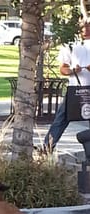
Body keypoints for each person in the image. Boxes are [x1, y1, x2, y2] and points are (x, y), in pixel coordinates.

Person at [43, 22, 90, 152]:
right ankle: (47, 148)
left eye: (88, 26)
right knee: (62, 118)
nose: (85, 29)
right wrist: (72, 70)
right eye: (82, 26)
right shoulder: (70, 44)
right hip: (76, 88)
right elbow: (63, 69)